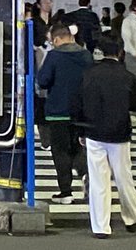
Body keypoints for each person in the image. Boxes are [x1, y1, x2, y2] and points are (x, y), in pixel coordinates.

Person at [71, 35, 136, 237]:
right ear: (120, 52)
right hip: (120, 132)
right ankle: (134, 216)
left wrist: (81, 131)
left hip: (93, 131)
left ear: (101, 52)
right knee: (123, 176)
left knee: (98, 180)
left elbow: (77, 104)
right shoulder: (127, 76)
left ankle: (101, 227)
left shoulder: (89, 74)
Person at [37, 22, 93, 204]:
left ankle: (66, 192)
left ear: (57, 39)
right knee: (77, 147)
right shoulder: (86, 55)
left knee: (60, 151)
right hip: (81, 110)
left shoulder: (54, 55)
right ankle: (85, 174)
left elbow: (43, 80)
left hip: (58, 110)